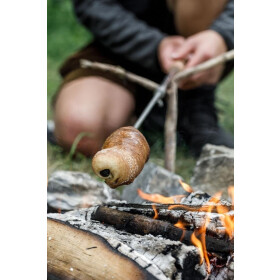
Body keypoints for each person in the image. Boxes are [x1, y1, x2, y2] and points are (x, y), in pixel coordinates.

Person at [52, 0, 234, 157]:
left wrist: (222, 34)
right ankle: (151, 114)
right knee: (80, 133)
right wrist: (154, 46)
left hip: (204, 46)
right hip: (119, 50)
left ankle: (195, 104)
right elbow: (91, 4)